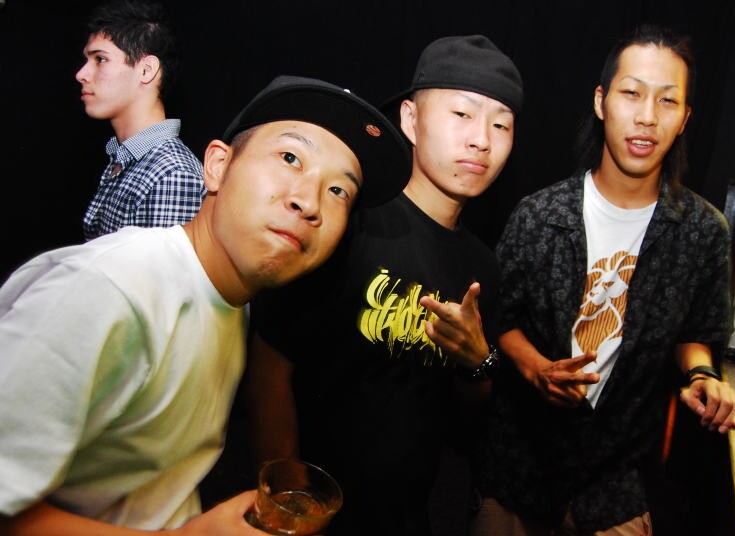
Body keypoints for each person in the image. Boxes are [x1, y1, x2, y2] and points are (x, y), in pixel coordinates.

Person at [0, 75, 410, 534]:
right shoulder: (109, 289)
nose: (309, 202)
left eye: (339, 191)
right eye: (290, 158)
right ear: (216, 166)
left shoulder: (228, 300)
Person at [244, 35, 523, 536]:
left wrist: (477, 362)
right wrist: (287, 499)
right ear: (411, 120)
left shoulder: (483, 267)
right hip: (311, 512)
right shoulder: (350, 220)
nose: (482, 139)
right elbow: (269, 362)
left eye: (500, 124)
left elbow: (466, 425)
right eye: (462, 114)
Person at [470, 25, 735, 535]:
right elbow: (499, 319)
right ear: (601, 102)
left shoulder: (703, 231)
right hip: (520, 465)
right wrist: (536, 369)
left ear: (685, 118)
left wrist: (702, 376)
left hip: (616, 478)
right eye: (631, 93)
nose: (647, 116)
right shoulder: (539, 215)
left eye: (667, 100)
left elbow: (697, 333)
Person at [76, 0, 205, 241]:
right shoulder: (126, 157)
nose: (81, 74)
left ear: (146, 70)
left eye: (100, 59)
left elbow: (159, 268)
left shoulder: (172, 174)